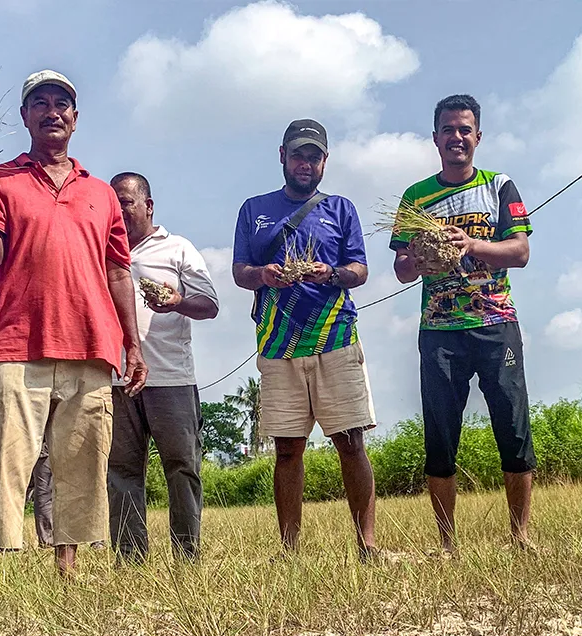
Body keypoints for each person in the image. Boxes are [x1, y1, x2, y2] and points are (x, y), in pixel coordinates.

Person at [0, 69, 147, 578]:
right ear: (25, 117)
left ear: (75, 118)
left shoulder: (101, 192)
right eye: (41, 103)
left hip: (92, 344)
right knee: (6, 461)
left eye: (61, 104)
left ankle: (67, 570)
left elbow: (118, 271)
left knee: (82, 464)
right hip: (18, 343)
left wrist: (133, 345)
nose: (52, 112)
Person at [390, 95, 535, 555]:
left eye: (465, 130)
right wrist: (421, 256)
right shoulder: (415, 197)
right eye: (448, 130)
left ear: (478, 137)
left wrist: (471, 244)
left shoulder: (499, 186)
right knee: (440, 435)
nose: (457, 137)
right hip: (439, 330)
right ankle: (447, 543)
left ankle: (520, 537)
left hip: (496, 324)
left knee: (513, 428)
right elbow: (401, 269)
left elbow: (520, 252)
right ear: (435, 138)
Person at [231, 119, 378, 560]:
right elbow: (240, 272)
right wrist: (263, 275)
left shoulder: (341, 208)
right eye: (298, 155)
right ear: (282, 156)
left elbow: (360, 270)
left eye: (314, 157)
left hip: (336, 338)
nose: (305, 164)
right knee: (288, 448)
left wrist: (330, 274)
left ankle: (367, 545)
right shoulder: (253, 209)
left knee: (350, 442)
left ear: (324, 161)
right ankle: (289, 550)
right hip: (278, 344)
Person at [108, 171, 219, 564]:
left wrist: (177, 302)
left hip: (171, 377)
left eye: (126, 202)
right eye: (113, 203)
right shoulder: (103, 250)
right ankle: (130, 560)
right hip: (117, 379)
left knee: (182, 467)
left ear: (149, 205)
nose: (119, 210)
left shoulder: (177, 248)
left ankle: (187, 556)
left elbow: (210, 305)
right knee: (121, 472)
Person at [26, 443, 54, 547]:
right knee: (45, 494)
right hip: (44, 449)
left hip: (37, 448)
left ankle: (47, 540)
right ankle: (47, 541)